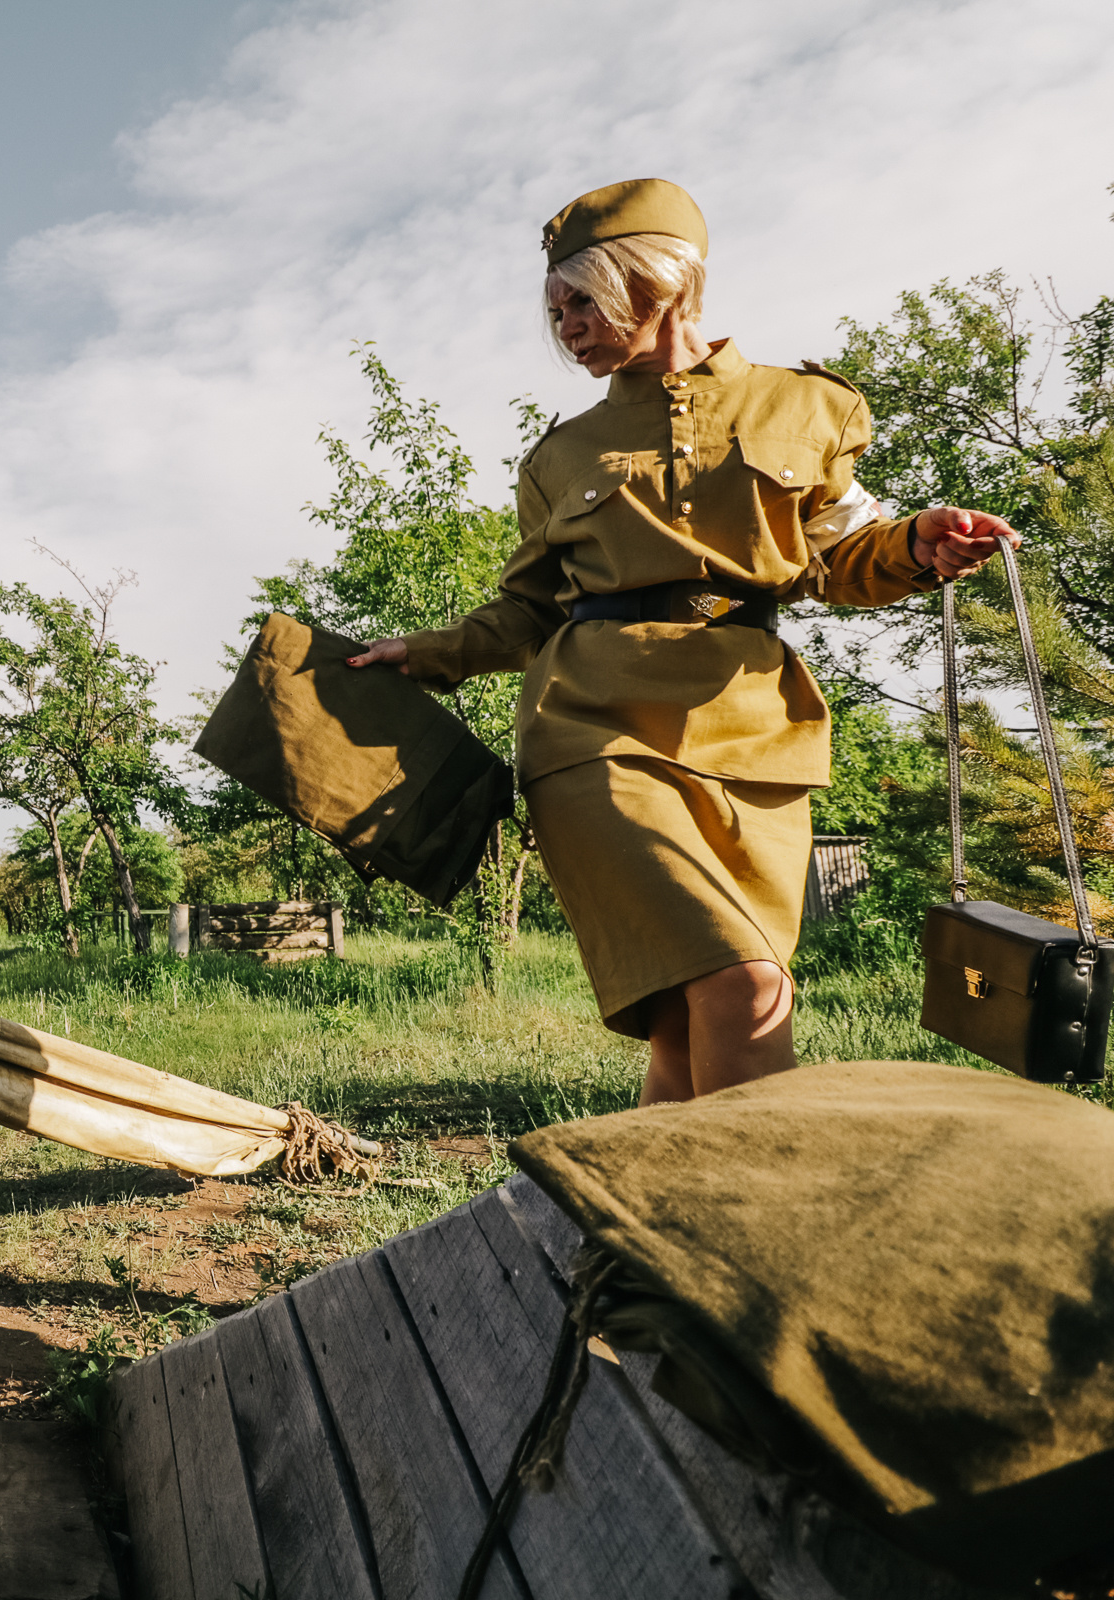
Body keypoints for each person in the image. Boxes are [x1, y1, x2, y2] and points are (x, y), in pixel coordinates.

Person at [347, 178, 1012, 1105]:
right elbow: (529, 613)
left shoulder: (807, 408)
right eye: (556, 311)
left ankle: (639, 1202)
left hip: (759, 739)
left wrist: (918, 545)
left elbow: (840, 559)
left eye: (583, 301)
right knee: (745, 988)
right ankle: (763, 1196)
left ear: (653, 281)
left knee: (688, 1021)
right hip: (595, 731)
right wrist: (423, 654)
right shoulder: (557, 457)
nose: (567, 327)